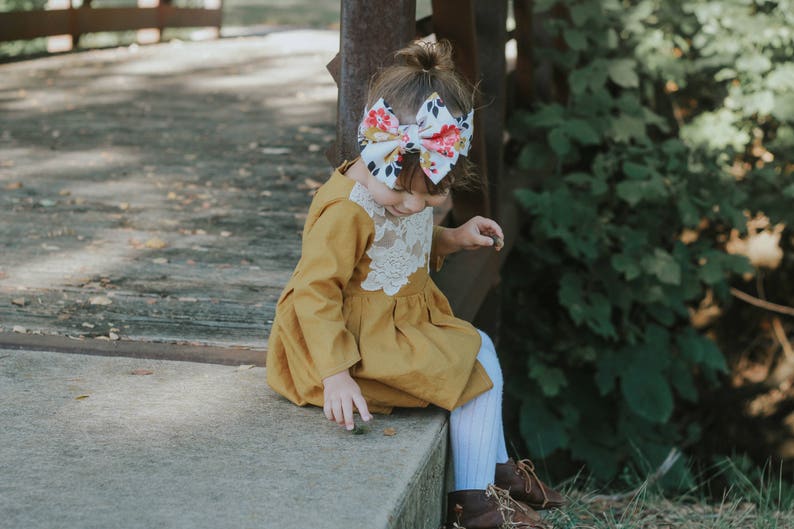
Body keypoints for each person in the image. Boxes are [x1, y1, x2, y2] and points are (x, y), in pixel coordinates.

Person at [266, 40, 564, 529]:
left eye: (430, 198)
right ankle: (473, 501)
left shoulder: (396, 194)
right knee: (471, 369)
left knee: (479, 349)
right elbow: (314, 293)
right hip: (351, 347)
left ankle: (493, 476)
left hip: (390, 324)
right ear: (373, 149)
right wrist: (336, 373)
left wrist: (450, 238)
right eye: (402, 192)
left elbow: (396, 246)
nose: (409, 206)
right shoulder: (347, 211)